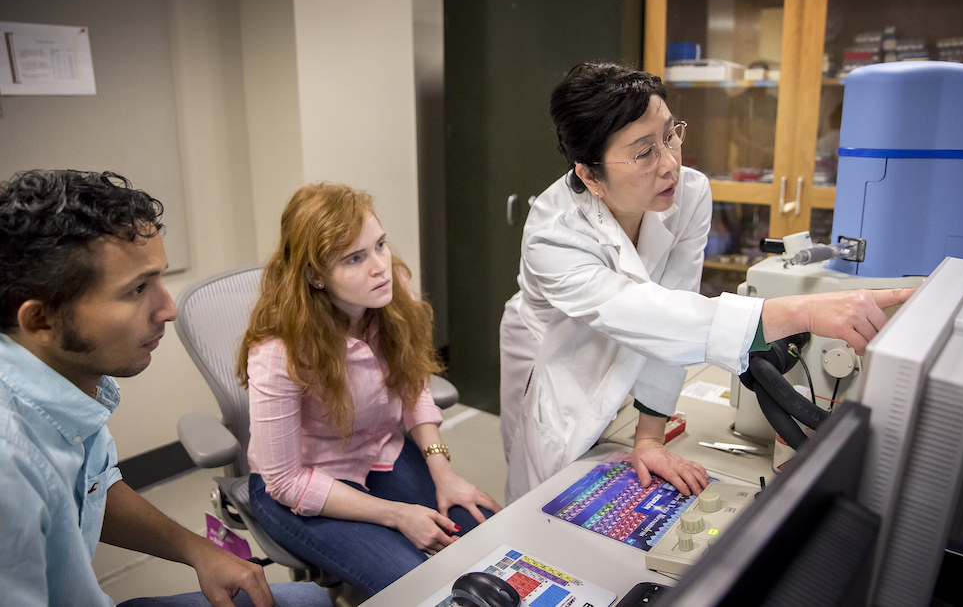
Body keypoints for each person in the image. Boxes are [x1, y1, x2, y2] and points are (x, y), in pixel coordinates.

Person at [499, 62, 914, 503]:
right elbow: (642, 314)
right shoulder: (554, 233)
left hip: (643, 336)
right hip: (556, 352)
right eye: (644, 153)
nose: (671, 164)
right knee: (545, 483)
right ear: (590, 175)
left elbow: (673, 300)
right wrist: (799, 311)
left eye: (669, 135)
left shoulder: (690, 193)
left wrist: (649, 439)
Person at [0, 169, 332, 607]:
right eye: (138, 289)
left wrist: (200, 552)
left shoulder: (66, 384)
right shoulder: (9, 463)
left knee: (308, 601)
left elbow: (93, 486)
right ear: (41, 320)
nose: (169, 308)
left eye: (159, 279)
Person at [239, 183, 500, 598]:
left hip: (379, 452)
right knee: (417, 583)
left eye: (379, 244)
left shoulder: (391, 294)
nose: (380, 266)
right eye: (355, 258)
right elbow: (285, 481)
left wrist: (443, 473)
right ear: (315, 276)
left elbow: (413, 386)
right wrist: (397, 515)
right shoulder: (278, 352)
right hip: (304, 484)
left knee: (487, 536)